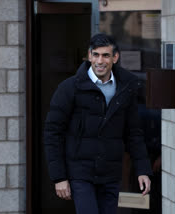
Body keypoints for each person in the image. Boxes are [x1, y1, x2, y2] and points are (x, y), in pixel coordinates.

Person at [44, 33, 153, 214]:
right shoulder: (69, 88)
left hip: (110, 174)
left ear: (115, 57)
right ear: (89, 56)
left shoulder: (126, 88)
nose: (100, 61)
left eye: (106, 55)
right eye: (96, 55)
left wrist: (143, 170)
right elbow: (52, 133)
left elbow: (134, 133)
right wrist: (59, 177)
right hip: (80, 173)